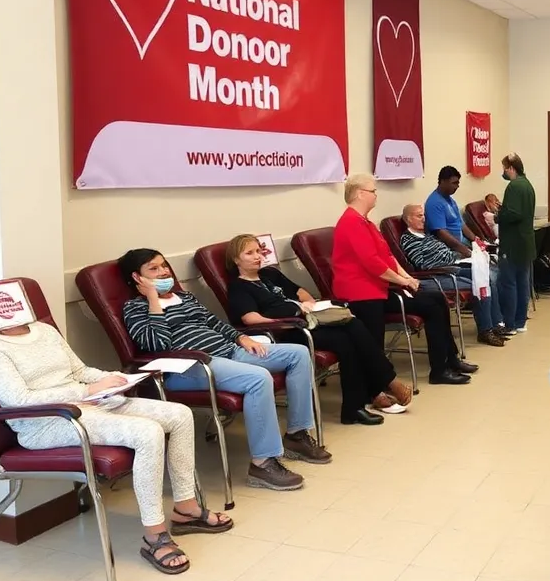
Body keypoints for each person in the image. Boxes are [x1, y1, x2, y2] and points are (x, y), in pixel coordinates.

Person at [0, 321, 232, 575]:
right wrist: (86, 391)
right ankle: (155, 535)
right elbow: (19, 400)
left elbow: (80, 370)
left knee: (180, 415)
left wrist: (115, 380)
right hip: (46, 422)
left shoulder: (45, 331)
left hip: (90, 403)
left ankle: (185, 508)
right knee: (148, 432)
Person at [120, 250, 331, 492]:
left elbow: (214, 322)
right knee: (258, 378)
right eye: (153, 269)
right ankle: (262, 463)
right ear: (138, 278)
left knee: (298, 354)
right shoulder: (135, 307)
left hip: (228, 351)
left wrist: (241, 338)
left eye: (164, 265)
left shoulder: (184, 297)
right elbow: (156, 345)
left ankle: (296, 435)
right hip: (190, 367)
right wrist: (153, 300)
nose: (164, 271)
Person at [223, 234, 414, 426]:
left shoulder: (270, 274)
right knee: (345, 341)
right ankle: (377, 389)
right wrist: (284, 319)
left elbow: (300, 291)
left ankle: (368, 396)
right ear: (235, 259)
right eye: (249, 253)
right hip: (288, 330)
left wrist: (308, 304)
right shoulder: (239, 288)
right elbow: (250, 318)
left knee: (354, 324)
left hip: (309, 320)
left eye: (258, 251)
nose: (257, 256)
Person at [332, 173, 476, 384]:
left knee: (436, 300)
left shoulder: (366, 223)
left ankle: (449, 359)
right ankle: (439, 370)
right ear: (360, 194)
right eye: (373, 191)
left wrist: (406, 276)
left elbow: (387, 256)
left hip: (378, 289)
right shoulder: (351, 222)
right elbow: (373, 263)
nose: (375, 195)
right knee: (432, 306)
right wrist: (403, 282)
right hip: (362, 294)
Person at [399, 203, 507, 346]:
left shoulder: (427, 235)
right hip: (440, 273)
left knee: (485, 276)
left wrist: (462, 256)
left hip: (453, 264)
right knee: (478, 282)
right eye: (419, 216)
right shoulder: (408, 239)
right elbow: (422, 264)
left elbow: (444, 252)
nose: (424, 218)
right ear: (408, 219)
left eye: (424, 215)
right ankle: (485, 330)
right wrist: (451, 259)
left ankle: (495, 324)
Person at [496, 153, 536, 334]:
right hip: (525, 243)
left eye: (504, 168)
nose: (503, 172)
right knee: (523, 283)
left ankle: (510, 323)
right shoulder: (527, 185)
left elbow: (513, 214)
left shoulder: (514, 186)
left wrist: (496, 217)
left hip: (512, 243)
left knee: (509, 283)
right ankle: (520, 322)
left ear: (511, 168)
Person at [424, 165, 484, 252]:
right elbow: (441, 233)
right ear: (443, 181)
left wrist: (477, 241)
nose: (457, 186)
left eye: (458, 183)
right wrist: (466, 251)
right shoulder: (434, 203)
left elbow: (461, 224)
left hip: (463, 244)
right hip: (450, 250)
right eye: (454, 183)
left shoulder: (450, 200)